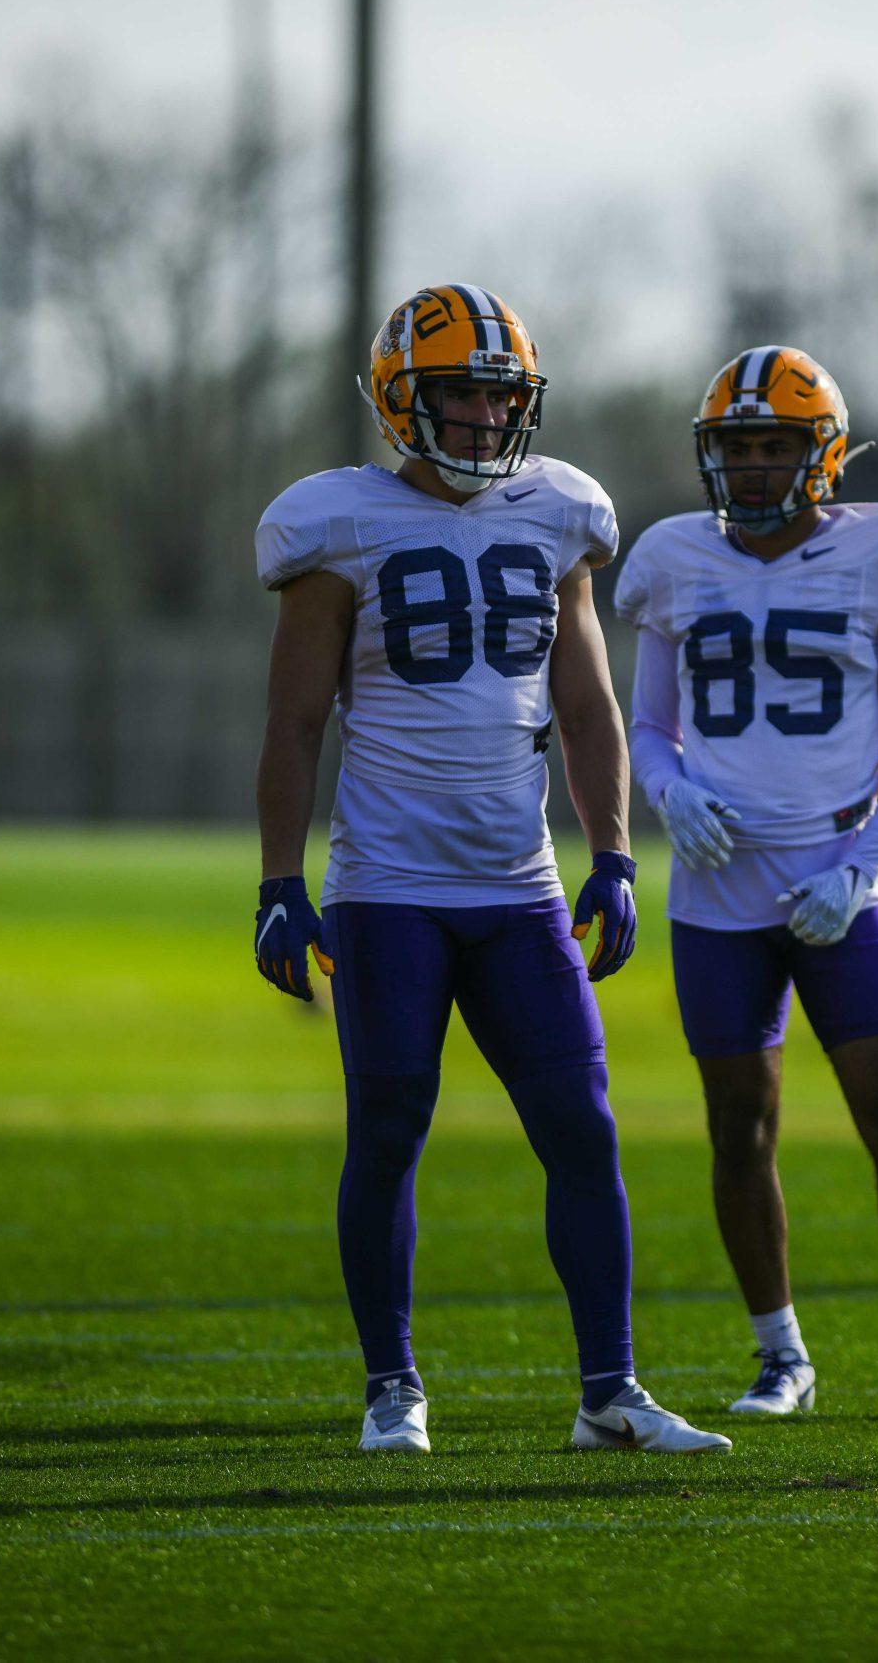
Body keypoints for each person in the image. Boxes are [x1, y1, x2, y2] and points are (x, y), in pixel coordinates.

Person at [252, 282, 728, 1458]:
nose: (477, 417)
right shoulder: (337, 523)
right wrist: (276, 882)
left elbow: (587, 701)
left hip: (517, 888)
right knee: (389, 1128)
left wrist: (613, 853)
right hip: (388, 891)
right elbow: (294, 722)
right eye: (456, 392)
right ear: (397, 399)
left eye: (496, 394)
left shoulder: (559, 510)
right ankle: (392, 1387)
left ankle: (609, 1391)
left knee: (583, 1127)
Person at [612, 345, 878, 1422]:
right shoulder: (672, 559)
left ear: (825, 453)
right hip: (714, 898)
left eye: (776, 445)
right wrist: (667, 793)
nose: (754, 467)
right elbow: (650, 725)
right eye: (738, 447)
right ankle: (780, 1357)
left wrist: (858, 873)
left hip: (837, 885)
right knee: (737, 1125)